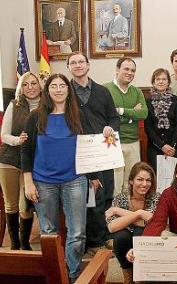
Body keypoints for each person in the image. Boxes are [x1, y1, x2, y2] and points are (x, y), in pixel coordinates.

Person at [21, 74, 87, 280]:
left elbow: (92, 143)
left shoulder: (78, 116)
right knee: (49, 233)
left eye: (62, 86)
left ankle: (72, 275)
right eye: (54, 86)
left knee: (77, 233)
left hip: (74, 181)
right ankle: (54, 275)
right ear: (47, 90)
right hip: (43, 183)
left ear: (68, 90)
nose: (58, 89)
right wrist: (28, 182)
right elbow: (26, 151)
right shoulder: (35, 117)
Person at [67, 52, 120, 254]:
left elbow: (114, 118)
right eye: (73, 63)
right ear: (69, 68)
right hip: (77, 154)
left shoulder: (102, 92)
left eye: (81, 62)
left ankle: (104, 236)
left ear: (88, 66)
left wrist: (110, 130)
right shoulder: (66, 92)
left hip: (103, 153)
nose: (78, 65)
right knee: (87, 198)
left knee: (106, 196)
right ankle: (91, 242)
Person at [0, 72, 41, 250]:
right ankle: (15, 244)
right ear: (21, 87)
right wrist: (18, 140)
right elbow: (4, 135)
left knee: (27, 204)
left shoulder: (47, 105)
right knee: (11, 204)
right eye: (26, 84)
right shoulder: (14, 104)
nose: (30, 87)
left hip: (32, 163)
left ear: (40, 86)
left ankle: (25, 243)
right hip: (9, 160)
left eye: (34, 83)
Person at [105, 162, 160, 284]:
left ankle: (142, 275)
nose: (145, 184)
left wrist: (118, 211)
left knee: (140, 232)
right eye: (140, 179)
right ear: (131, 181)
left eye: (148, 180)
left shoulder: (155, 197)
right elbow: (112, 227)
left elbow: (151, 221)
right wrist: (139, 215)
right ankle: (128, 277)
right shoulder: (121, 198)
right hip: (124, 241)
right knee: (120, 237)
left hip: (147, 240)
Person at [104, 58, 148, 196]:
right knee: (115, 184)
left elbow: (144, 113)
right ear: (117, 69)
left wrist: (121, 111)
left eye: (133, 70)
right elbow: (106, 117)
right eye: (126, 69)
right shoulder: (105, 89)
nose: (130, 73)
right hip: (113, 141)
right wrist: (132, 115)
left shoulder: (137, 92)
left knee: (131, 182)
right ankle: (115, 215)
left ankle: (128, 215)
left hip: (133, 141)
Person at [145, 68, 177, 172]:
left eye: (164, 79)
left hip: (174, 148)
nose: (161, 81)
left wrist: (171, 147)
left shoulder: (176, 100)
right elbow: (148, 127)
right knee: (157, 179)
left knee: (174, 178)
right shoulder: (148, 102)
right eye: (158, 79)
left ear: (168, 82)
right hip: (155, 148)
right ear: (153, 82)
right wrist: (162, 146)